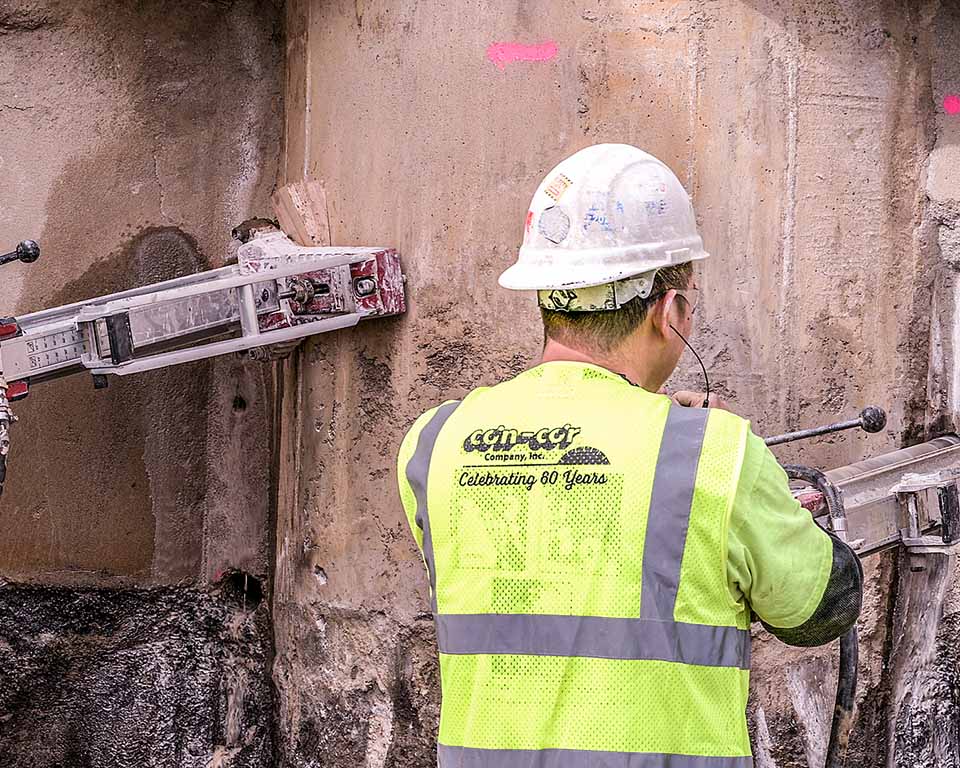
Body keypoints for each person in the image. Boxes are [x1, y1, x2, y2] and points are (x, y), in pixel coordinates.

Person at [397, 143, 862, 767]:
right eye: (687, 301)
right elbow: (817, 608)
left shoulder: (434, 444)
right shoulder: (713, 455)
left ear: (545, 295)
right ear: (668, 312)